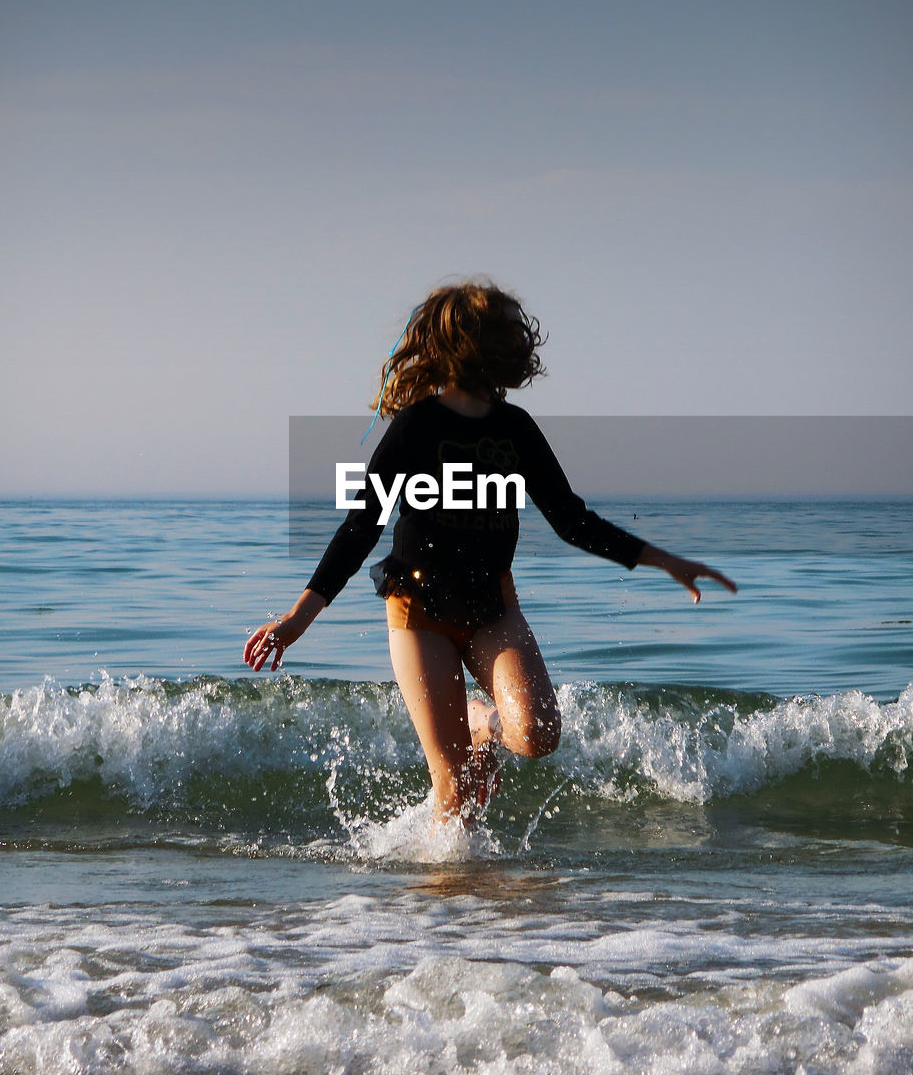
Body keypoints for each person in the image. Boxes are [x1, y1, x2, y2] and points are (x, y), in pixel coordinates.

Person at [245, 282, 736, 825]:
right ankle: (458, 902)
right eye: (503, 331)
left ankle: (482, 724)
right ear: (467, 343)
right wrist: (298, 617)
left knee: (537, 734)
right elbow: (361, 526)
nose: (518, 342)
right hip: (419, 612)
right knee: (456, 792)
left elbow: (572, 521)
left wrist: (664, 560)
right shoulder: (415, 427)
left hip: (492, 608)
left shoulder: (516, 429)